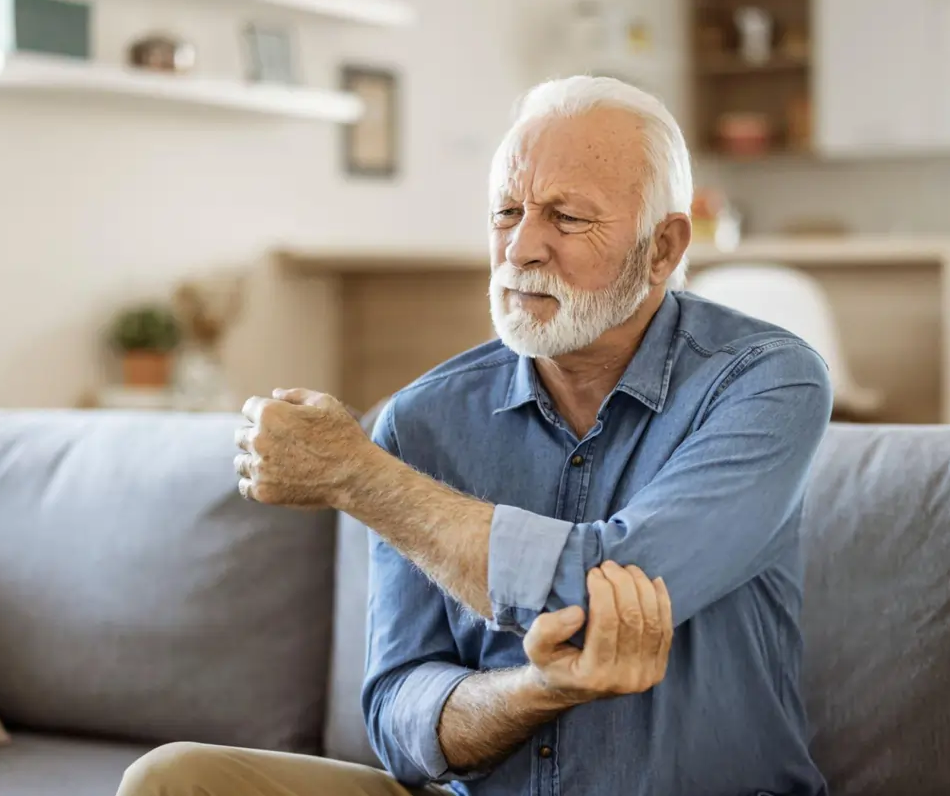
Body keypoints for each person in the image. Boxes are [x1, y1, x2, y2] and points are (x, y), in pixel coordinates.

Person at [117, 76, 832, 796]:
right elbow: (399, 711)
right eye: (507, 211)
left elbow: (610, 588)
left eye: (566, 217)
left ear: (662, 247)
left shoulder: (766, 382)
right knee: (174, 779)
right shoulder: (421, 419)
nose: (521, 247)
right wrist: (538, 690)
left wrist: (360, 477)